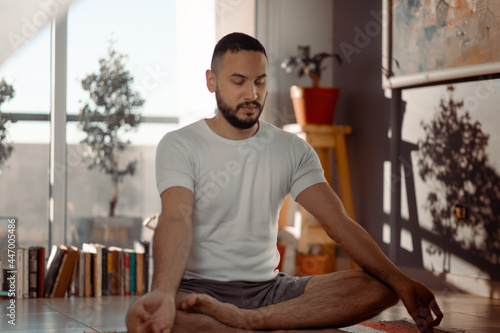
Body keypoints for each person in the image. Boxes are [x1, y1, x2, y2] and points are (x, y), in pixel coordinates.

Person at [126, 32, 443, 333]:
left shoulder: (291, 149)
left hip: (270, 290)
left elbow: (338, 223)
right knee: (141, 319)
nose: (251, 94)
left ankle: (251, 322)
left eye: (260, 82)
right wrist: (165, 293)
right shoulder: (181, 144)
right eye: (238, 82)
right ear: (211, 81)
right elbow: (175, 216)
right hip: (198, 292)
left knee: (382, 286)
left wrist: (401, 281)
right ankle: (284, 325)